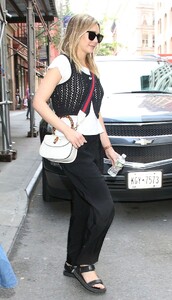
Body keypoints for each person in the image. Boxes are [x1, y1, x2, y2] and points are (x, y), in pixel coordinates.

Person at [33, 14, 119, 294]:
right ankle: (86, 264)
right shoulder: (63, 63)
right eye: (92, 35)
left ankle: (71, 263)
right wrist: (66, 130)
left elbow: (97, 115)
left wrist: (107, 147)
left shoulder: (90, 70)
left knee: (83, 207)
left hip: (93, 145)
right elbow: (39, 101)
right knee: (104, 207)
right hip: (75, 146)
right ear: (78, 33)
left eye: (99, 37)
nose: (96, 41)